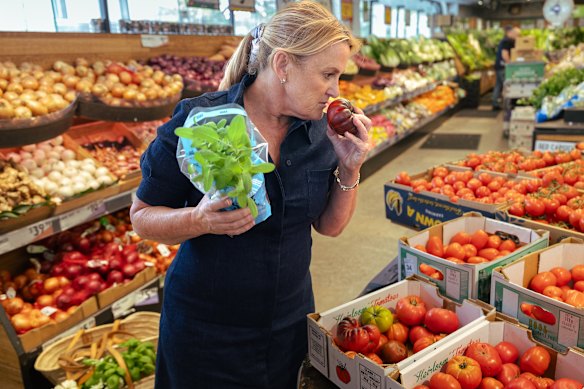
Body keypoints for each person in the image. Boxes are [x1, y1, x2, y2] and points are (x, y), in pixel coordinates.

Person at [129, 2, 371, 388]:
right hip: (205, 332)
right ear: (283, 65)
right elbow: (142, 217)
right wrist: (198, 219)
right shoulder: (201, 120)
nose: (335, 91)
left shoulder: (319, 133)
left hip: (289, 324)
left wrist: (350, 167)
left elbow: (330, 227)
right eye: (328, 74)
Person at [493, 26, 520, 110]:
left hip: (498, 66)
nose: (517, 36)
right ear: (511, 33)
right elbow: (504, 54)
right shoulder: (507, 41)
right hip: (503, 66)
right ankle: (507, 105)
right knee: (506, 85)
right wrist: (509, 64)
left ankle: (495, 103)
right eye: (516, 34)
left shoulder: (505, 40)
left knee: (498, 85)